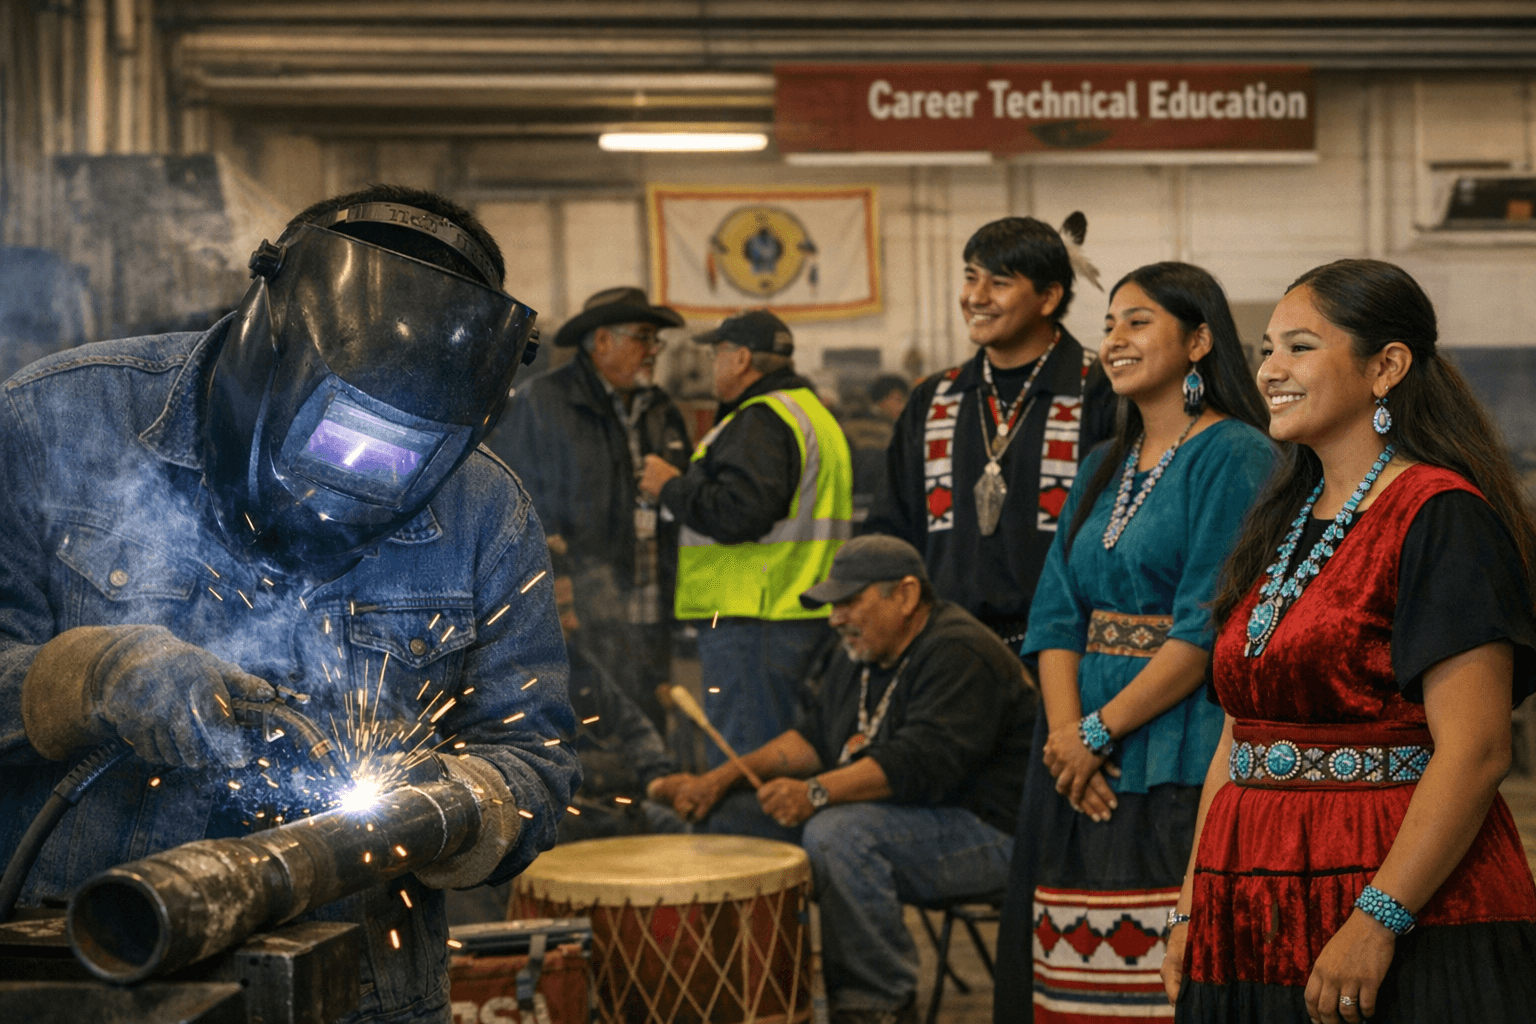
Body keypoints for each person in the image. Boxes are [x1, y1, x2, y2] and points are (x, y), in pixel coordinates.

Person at [0, 185, 580, 1023]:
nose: (346, 480)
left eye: (400, 459)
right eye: (334, 432)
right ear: (265, 337)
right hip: (88, 966)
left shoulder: (487, 513)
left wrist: (452, 803)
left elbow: (537, 764)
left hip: (357, 992)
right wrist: (91, 678)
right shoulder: (53, 423)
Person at [1163, 259, 1536, 1023]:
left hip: (1392, 887)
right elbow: (1239, 735)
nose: (1270, 370)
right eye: (1266, 349)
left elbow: (1477, 749)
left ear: (1386, 367)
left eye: (1299, 347)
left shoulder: (1439, 516)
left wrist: (1377, 920)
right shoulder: (1281, 517)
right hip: (1250, 889)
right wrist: (1190, 902)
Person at [992, 263, 1274, 1022]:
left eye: (1138, 321)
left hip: (1175, 751)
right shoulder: (1102, 466)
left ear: (1200, 339)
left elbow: (1204, 629)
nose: (1114, 338)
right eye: (1109, 323)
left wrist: (1095, 731)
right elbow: (1056, 615)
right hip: (1075, 761)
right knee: (1066, 980)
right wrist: (1063, 743)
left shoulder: (1236, 454)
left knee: (1162, 985)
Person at [652, 535, 1033, 1024]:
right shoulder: (861, 653)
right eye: (833, 606)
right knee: (729, 821)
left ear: (907, 595)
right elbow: (813, 738)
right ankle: (757, 996)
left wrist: (816, 793)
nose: (835, 619)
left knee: (839, 835)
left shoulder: (958, 650)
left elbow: (919, 763)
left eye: (850, 602)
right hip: (905, 818)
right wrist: (721, 779)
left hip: (994, 833)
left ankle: (877, 1007)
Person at [863, 215, 1116, 652]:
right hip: (948, 652)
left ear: (1049, 296)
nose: (975, 297)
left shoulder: (1102, 392)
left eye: (998, 282)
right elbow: (893, 527)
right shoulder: (932, 399)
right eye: (970, 277)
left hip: (1068, 651)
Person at [639, 309, 853, 766]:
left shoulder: (761, 420)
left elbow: (740, 513)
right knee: (784, 763)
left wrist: (671, 486)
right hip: (801, 613)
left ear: (739, 360)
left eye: (717, 354)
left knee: (743, 764)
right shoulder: (814, 415)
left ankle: (744, 838)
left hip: (755, 622)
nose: (714, 366)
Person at [492, 286, 690, 728]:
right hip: (581, 599)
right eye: (643, 337)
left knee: (651, 708)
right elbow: (516, 503)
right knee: (596, 715)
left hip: (653, 594)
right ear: (602, 340)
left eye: (656, 340)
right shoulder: (542, 404)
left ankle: (652, 789)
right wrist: (554, 581)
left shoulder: (661, 409)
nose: (654, 351)